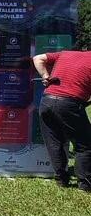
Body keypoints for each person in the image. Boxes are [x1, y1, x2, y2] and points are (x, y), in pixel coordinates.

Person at [33, 51, 91, 192]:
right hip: (70, 103)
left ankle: (61, 180)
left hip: (46, 101)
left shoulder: (65, 54)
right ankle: (85, 184)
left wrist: (46, 76)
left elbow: (38, 58)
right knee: (85, 145)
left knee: (54, 142)